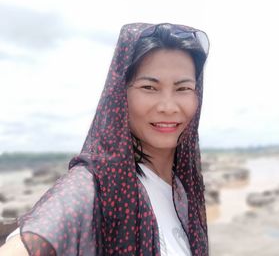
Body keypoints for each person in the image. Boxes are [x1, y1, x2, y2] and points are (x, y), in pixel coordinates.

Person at [0, 22, 209, 255]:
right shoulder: (98, 184)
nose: (168, 107)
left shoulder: (182, 188)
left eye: (183, 89)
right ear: (120, 95)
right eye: (149, 87)